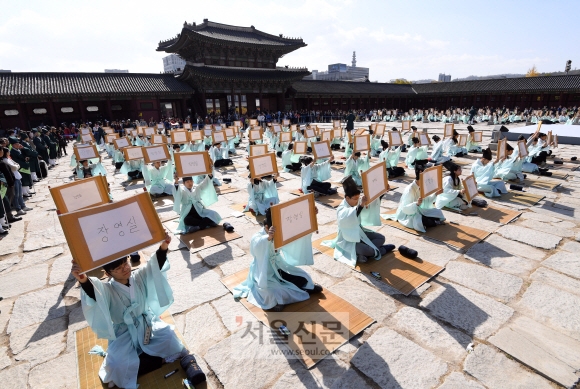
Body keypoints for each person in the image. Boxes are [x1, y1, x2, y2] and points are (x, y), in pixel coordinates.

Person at [71, 233, 206, 389]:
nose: (125, 269)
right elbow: (95, 292)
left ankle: (143, 364)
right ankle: (156, 360)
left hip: (146, 324)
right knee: (115, 364)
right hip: (124, 332)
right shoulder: (107, 289)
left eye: (125, 263)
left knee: (169, 338)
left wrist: (163, 246)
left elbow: (154, 266)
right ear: (108, 274)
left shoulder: (138, 276)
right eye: (118, 268)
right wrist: (83, 280)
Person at [232, 207, 323, 312]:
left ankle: (306, 287)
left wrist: (311, 216)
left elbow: (297, 230)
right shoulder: (258, 237)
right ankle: (275, 302)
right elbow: (255, 248)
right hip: (264, 271)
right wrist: (268, 238)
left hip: (279, 266)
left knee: (305, 276)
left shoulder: (280, 229)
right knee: (272, 292)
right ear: (266, 227)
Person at [322, 176, 394, 266]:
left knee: (381, 238)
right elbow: (352, 215)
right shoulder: (341, 209)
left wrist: (383, 192)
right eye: (355, 199)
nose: (357, 201)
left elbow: (370, 204)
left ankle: (365, 255)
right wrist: (361, 205)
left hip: (360, 233)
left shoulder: (357, 201)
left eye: (358, 198)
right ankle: (381, 250)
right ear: (347, 198)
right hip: (348, 240)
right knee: (369, 250)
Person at [383, 165, 445, 232]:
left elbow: (427, 200)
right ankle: (431, 222)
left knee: (438, 212)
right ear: (421, 174)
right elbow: (405, 208)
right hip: (408, 213)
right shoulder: (410, 189)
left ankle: (432, 221)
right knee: (419, 221)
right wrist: (416, 204)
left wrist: (436, 194)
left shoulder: (423, 185)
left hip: (420, 210)